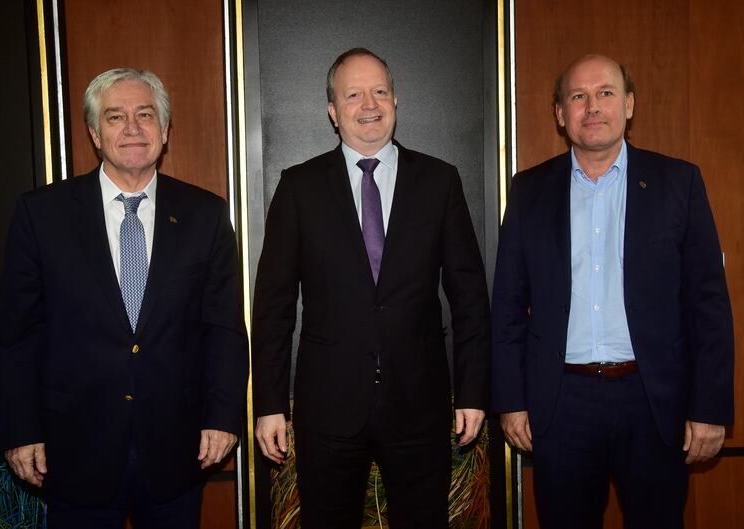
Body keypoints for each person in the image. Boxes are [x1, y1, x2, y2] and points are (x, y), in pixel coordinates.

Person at [0, 68, 248, 529]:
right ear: (95, 133)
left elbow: (225, 329)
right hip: (73, 449)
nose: (132, 128)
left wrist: (224, 416)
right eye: (115, 117)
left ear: (164, 131)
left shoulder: (206, 215)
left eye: (145, 115)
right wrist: (20, 429)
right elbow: (16, 335)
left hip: (178, 447)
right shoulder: (42, 214)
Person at [491, 54, 734, 529]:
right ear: (560, 113)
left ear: (629, 104)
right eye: (577, 96)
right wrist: (511, 400)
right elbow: (507, 306)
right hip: (561, 404)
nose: (592, 107)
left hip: (653, 401)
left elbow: (708, 305)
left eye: (605, 93)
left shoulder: (678, 183)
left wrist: (710, 408)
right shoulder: (528, 191)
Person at [252, 48, 490, 529]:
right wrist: (270, 404)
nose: (370, 104)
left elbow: (469, 297)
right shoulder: (299, 187)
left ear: (396, 101)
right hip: (328, 408)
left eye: (380, 91)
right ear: (333, 111)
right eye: (354, 94)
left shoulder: (439, 181)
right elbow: (273, 306)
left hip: (419, 404)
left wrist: (472, 391)